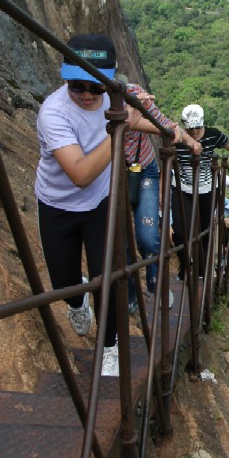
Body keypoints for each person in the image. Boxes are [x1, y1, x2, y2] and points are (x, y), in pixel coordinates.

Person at [35, 34, 148, 376]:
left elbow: (138, 120)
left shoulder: (114, 101)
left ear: (110, 82)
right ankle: (75, 301)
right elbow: (80, 174)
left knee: (108, 279)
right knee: (66, 283)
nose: (86, 94)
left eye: (96, 88)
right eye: (76, 86)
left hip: (101, 204)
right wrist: (120, 128)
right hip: (57, 205)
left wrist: (174, 133)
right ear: (65, 80)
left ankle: (109, 347)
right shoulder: (53, 112)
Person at [118, 76, 200, 313]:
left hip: (144, 170)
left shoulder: (135, 93)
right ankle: (131, 296)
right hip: (112, 175)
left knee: (147, 236)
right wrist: (132, 121)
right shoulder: (89, 95)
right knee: (121, 242)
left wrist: (187, 140)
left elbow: (163, 122)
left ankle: (156, 284)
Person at [172, 104, 229, 280]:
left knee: (205, 231)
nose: (193, 132)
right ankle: (185, 266)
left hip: (207, 189)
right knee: (179, 231)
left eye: (197, 128)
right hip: (183, 188)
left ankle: (202, 271)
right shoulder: (178, 137)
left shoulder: (213, 135)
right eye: (190, 128)